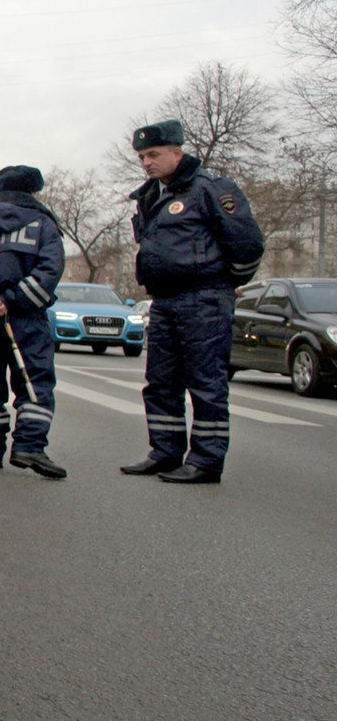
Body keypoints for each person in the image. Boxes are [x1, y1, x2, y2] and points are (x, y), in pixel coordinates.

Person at [119, 119, 264, 484]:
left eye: (153, 154)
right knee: (161, 382)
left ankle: (206, 460)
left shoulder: (210, 189)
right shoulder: (153, 195)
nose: (147, 162)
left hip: (204, 300)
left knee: (206, 382)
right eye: (141, 157)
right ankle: (165, 452)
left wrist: (222, 282)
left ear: (176, 153)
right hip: (165, 301)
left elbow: (247, 246)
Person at [0, 165, 67, 478]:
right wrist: (13, 301)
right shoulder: (43, 224)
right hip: (26, 319)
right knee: (33, 382)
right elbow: (50, 270)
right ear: (32, 191)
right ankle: (30, 446)